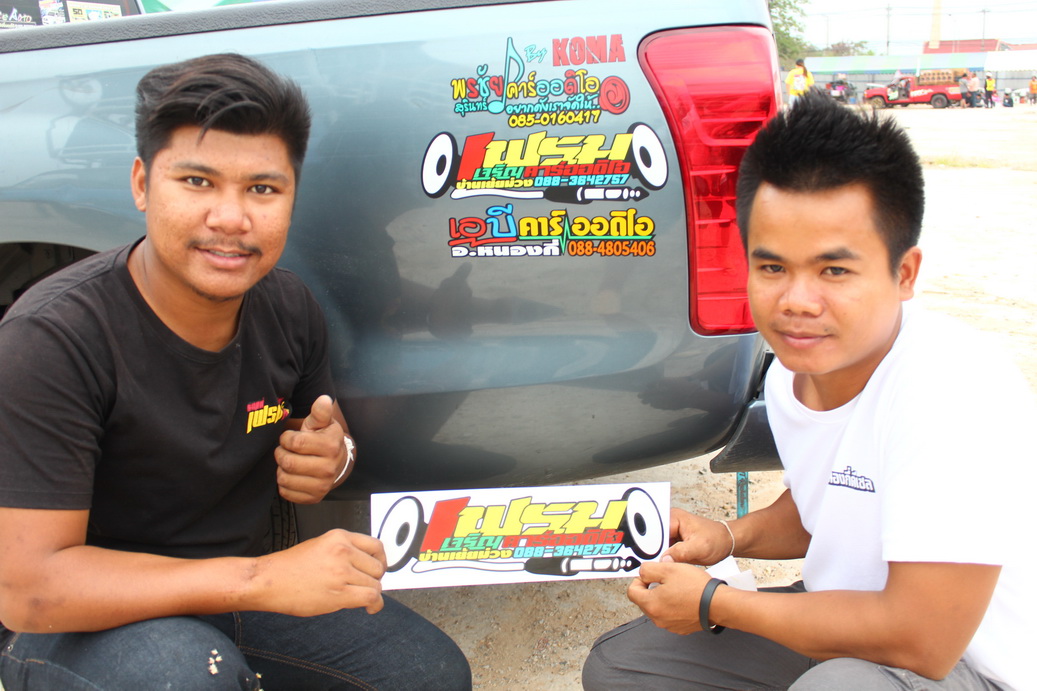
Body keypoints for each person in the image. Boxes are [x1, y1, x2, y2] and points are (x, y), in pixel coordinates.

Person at [0, 53, 471, 690]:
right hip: (79, 620)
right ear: (141, 183)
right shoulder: (51, 340)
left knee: (428, 675)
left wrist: (334, 458)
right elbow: (29, 590)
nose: (231, 218)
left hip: (232, 591)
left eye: (262, 189)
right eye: (197, 181)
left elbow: (323, 439)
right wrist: (260, 578)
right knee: (190, 678)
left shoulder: (290, 307)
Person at [583, 91, 1034, 690]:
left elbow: (923, 640)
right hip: (852, 626)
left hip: (968, 667)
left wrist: (714, 601)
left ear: (904, 273)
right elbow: (831, 503)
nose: (796, 301)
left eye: (834, 270)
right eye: (773, 268)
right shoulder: (793, 374)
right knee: (625, 668)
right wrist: (727, 537)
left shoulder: (952, 391)